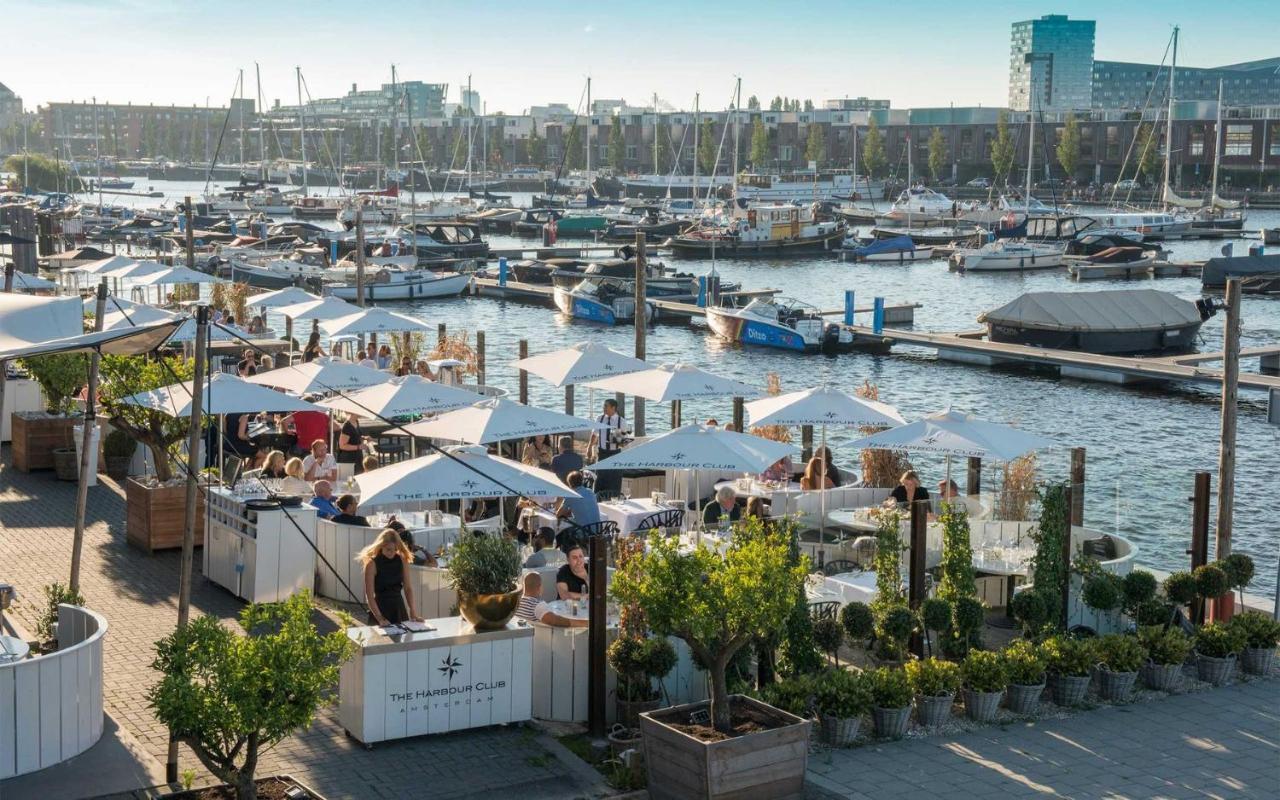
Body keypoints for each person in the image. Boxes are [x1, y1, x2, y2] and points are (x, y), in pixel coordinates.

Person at [358, 528, 421, 626]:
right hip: (380, 608)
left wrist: (413, 611)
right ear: (381, 546)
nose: (392, 553)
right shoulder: (372, 564)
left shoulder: (402, 560)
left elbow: (408, 588)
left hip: (398, 607)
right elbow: (369, 596)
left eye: (395, 550)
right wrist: (380, 618)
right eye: (388, 549)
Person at [518, 572, 587, 628]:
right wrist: (585, 623)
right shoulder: (537, 606)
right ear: (539, 587)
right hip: (542, 639)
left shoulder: (517, 603)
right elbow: (556, 621)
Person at [590, 398, 625, 494]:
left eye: (606, 406)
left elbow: (621, 441)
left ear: (613, 408)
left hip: (615, 454)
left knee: (614, 481)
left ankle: (613, 499)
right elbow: (594, 434)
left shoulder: (621, 421)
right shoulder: (600, 418)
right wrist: (589, 448)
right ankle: (598, 500)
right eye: (603, 406)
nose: (604, 408)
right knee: (600, 479)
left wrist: (616, 437)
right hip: (602, 453)